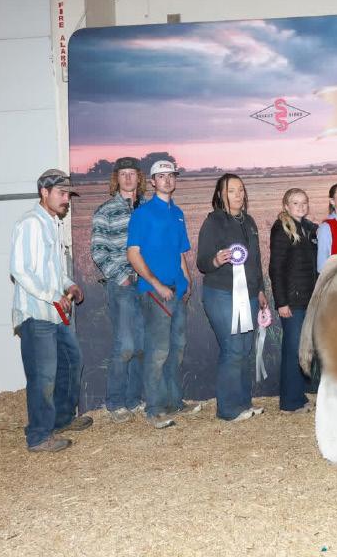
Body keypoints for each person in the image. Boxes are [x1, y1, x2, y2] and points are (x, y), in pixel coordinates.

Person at [10, 169, 91, 452]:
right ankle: (39, 436)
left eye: (68, 194)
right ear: (44, 192)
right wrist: (53, 296)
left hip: (55, 313)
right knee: (42, 377)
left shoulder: (52, 224)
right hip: (36, 314)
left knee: (71, 362)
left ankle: (61, 419)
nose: (66, 199)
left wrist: (69, 285)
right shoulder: (30, 224)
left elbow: (52, 271)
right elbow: (20, 270)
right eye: (61, 193)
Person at [127, 159, 198, 429]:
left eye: (171, 175)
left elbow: (180, 252)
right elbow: (133, 253)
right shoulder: (142, 214)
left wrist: (187, 280)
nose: (167, 180)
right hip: (155, 292)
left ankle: (174, 402)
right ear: (152, 181)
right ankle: (154, 409)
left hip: (177, 290)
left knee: (176, 349)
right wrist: (156, 284)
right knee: (158, 352)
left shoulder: (177, 213)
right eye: (161, 176)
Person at [196, 173, 268, 422]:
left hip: (249, 294)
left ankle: (243, 403)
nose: (238, 195)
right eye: (231, 190)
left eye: (241, 190)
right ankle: (227, 409)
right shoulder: (213, 222)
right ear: (220, 194)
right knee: (233, 348)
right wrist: (216, 260)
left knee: (245, 348)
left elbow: (256, 261)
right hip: (221, 293)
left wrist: (260, 290)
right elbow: (202, 262)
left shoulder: (249, 221)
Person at [90, 156, 145, 423]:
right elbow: (98, 251)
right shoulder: (106, 210)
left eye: (132, 173)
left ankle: (133, 400)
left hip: (146, 285)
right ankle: (115, 402)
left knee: (141, 345)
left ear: (138, 178)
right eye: (123, 174)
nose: (128, 178)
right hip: (122, 285)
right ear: (116, 179)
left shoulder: (146, 209)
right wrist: (122, 277)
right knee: (125, 345)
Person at [269, 188, 317, 414]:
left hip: (307, 299)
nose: (301, 206)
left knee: (301, 349)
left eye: (304, 202)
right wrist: (281, 302)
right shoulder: (282, 228)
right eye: (295, 203)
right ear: (286, 206)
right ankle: (289, 402)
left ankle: (297, 395)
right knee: (293, 349)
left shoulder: (308, 227)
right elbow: (276, 268)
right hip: (292, 301)